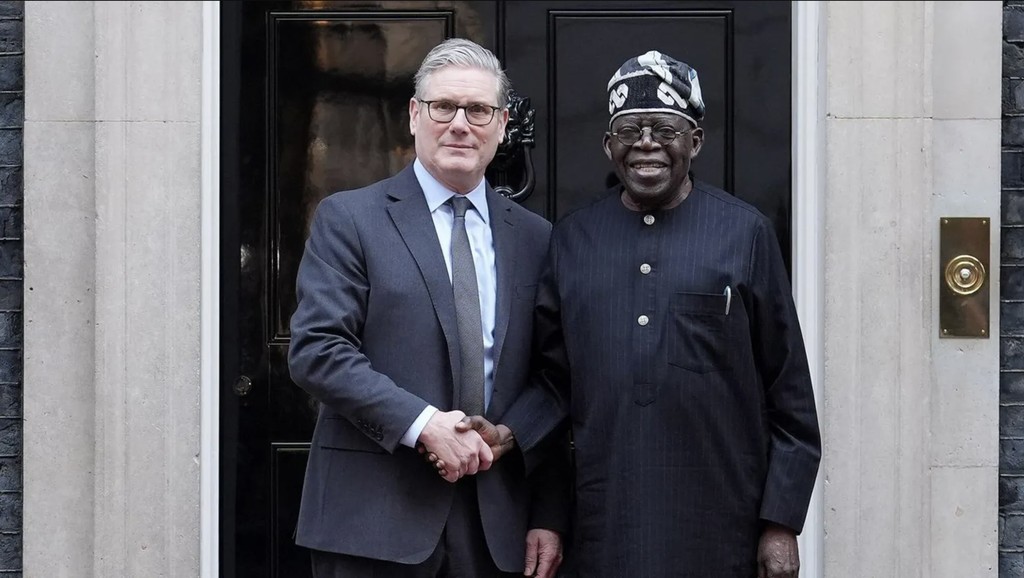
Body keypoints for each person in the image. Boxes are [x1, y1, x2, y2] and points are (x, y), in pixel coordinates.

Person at [449, 50, 822, 577]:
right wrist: (509, 434)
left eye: (665, 130)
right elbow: (555, 380)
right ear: (609, 145)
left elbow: (790, 398)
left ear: (695, 141)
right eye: (630, 130)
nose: (647, 143)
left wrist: (780, 523)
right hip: (605, 524)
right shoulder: (574, 238)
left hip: (724, 525)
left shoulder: (745, 234)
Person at [287, 37, 567, 578]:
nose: (460, 124)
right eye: (444, 107)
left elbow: (555, 377)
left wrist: (545, 504)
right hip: (373, 522)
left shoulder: (537, 238)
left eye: (478, 109)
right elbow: (318, 350)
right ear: (415, 115)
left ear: (502, 125)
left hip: (497, 525)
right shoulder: (351, 219)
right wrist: (424, 425)